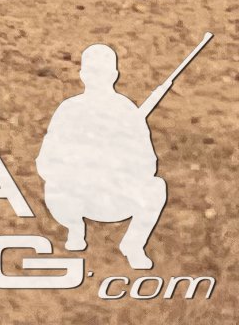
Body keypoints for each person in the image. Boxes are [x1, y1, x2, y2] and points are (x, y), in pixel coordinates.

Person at [36, 43, 173, 268]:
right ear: (83, 75)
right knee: (54, 186)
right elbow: (46, 162)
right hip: (76, 198)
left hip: (115, 198)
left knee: (156, 187)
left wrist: (119, 162)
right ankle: (75, 229)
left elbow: (148, 164)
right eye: (93, 72)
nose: (97, 78)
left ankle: (133, 244)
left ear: (114, 75)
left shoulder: (127, 112)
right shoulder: (69, 110)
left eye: (102, 72)